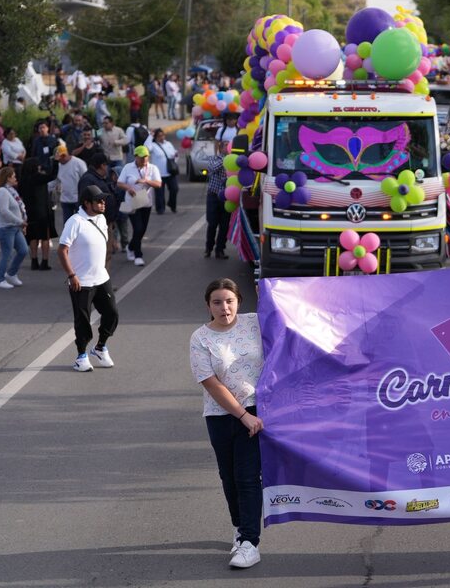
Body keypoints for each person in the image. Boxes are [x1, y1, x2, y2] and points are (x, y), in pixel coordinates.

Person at [189, 278, 265, 569]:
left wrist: (268, 295)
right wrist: (240, 414)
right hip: (220, 415)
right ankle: (239, 527)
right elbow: (211, 383)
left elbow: (287, 319)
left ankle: (250, 542)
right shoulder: (201, 337)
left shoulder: (254, 322)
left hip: (255, 412)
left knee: (247, 477)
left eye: (229, 301)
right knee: (228, 476)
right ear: (208, 306)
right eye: (217, 302)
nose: (224, 307)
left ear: (239, 301)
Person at [58, 185, 118, 372]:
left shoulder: (101, 218)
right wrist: (71, 275)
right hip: (80, 282)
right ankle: (81, 356)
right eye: (99, 201)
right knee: (82, 320)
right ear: (87, 203)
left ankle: (100, 347)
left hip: (101, 278)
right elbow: (62, 250)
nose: (103, 203)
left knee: (112, 314)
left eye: (103, 200)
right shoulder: (75, 222)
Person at [117, 145, 162, 267]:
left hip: (146, 202)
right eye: (141, 157)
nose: (144, 159)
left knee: (142, 230)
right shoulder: (128, 167)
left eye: (146, 156)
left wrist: (146, 181)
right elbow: (120, 183)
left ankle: (130, 246)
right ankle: (138, 255)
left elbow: (158, 184)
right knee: (137, 228)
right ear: (135, 156)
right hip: (131, 202)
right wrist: (129, 188)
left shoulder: (152, 168)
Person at [0, 166, 28, 289]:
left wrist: (22, 220)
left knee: (23, 250)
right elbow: (4, 211)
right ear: (8, 178)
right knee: (7, 253)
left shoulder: (10, 190)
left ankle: (11, 273)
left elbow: (19, 206)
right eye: (13, 176)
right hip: (5, 228)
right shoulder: (1, 192)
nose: (15, 178)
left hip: (14, 227)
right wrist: (19, 221)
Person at [78, 153, 121, 261]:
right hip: (96, 224)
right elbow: (85, 203)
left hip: (106, 222)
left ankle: (103, 277)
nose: (107, 168)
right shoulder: (88, 180)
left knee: (107, 253)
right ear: (102, 165)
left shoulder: (101, 179)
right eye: (106, 165)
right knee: (98, 255)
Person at [18, 157, 59, 271]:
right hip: (42, 211)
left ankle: (34, 261)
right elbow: (52, 176)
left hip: (29, 211)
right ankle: (44, 262)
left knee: (32, 237)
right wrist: (55, 162)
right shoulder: (38, 178)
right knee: (44, 237)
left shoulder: (23, 180)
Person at [204, 141, 229, 259]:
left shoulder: (234, 160)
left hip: (227, 198)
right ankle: (208, 248)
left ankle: (220, 250)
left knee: (224, 226)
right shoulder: (214, 159)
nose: (229, 148)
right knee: (212, 223)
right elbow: (212, 169)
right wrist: (226, 160)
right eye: (227, 146)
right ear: (221, 148)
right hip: (213, 196)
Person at [146, 128, 179, 214]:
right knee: (159, 193)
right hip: (159, 174)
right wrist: (150, 136)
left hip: (170, 172)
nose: (161, 137)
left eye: (162, 135)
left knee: (174, 189)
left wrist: (175, 156)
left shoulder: (168, 144)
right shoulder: (153, 145)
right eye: (159, 136)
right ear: (156, 137)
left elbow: (174, 154)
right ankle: (160, 208)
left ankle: (172, 204)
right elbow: (146, 147)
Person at [55, 145, 89, 221]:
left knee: (80, 223)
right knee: (67, 224)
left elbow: (86, 178)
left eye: (64, 155)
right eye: (61, 156)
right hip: (65, 200)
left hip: (78, 199)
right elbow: (55, 181)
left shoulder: (78, 163)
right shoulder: (58, 165)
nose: (63, 158)